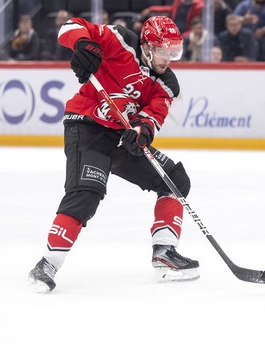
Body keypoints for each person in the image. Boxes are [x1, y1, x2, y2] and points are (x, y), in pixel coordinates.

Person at [28, 15, 198, 293]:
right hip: (87, 127)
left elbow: (154, 115)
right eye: (163, 51)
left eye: (173, 52)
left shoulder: (167, 83)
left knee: (174, 179)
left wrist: (141, 131)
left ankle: (165, 253)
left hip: (121, 136)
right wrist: (85, 45)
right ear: (146, 46)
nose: (168, 58)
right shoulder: (120, 41)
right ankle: (47, 264)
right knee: (86, 193)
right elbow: (69, 28)